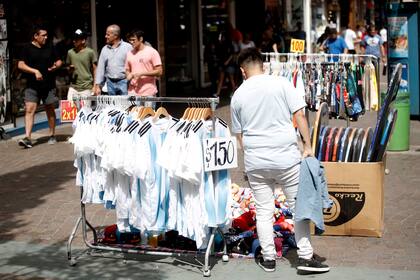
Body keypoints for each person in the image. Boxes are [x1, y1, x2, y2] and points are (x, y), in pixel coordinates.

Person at [230, 47, 330, 273]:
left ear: (242, 71)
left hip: (256, 160)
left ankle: (268, 259)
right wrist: (308, 145)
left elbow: (240, 136)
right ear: (263, 65)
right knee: (298, 207)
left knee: (264, 210)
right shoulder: (282, 83)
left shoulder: (237, 95)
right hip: (285, 156)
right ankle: (305, 257)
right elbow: (300, 115)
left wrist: (251, 157)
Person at [17, 25, 63, 148]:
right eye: (43, 35)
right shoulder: (27, 48)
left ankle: (52, 134)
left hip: (48, 85)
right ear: (36, 36)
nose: (46, 37)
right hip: (32, 85)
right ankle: (28, 137)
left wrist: (56, 66)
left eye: (47, 35)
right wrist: (35, 71)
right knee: (29, 109)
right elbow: (20, 65)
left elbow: (59, 61)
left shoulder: (50, 47)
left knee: (49, 109)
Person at [94, 24, 132, 96]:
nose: (105, 36)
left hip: (124, 82)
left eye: (108, 35)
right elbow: (101, 69)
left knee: (126, 105)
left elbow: (133, 65)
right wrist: (98, 86)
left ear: (115, 36)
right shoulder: (104, 49)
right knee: (112, 106)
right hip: (110, 83)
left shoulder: (128, 47)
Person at [125, 29, 162, 98]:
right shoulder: (129, 53)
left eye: (133, 40)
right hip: (133, 92)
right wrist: (129, 75)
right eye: (130, 40)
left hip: (148, 91)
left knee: (148, 109)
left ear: (141, 39)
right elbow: (127, 69)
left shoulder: (152, 52)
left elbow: (159, 72)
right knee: (134, 109)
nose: (131, 42)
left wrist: (142, 73)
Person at [66, 29, 97, 102]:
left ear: (83, 41)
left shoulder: (90, 52)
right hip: (73, 87)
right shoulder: (70, 52)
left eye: (76, 39)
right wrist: (70, 69)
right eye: (73, 39)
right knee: (70, 110)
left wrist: (95, 86)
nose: (74, 41)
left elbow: (95, 69)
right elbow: (68, 70)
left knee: (85, 111)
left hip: (86, 87)